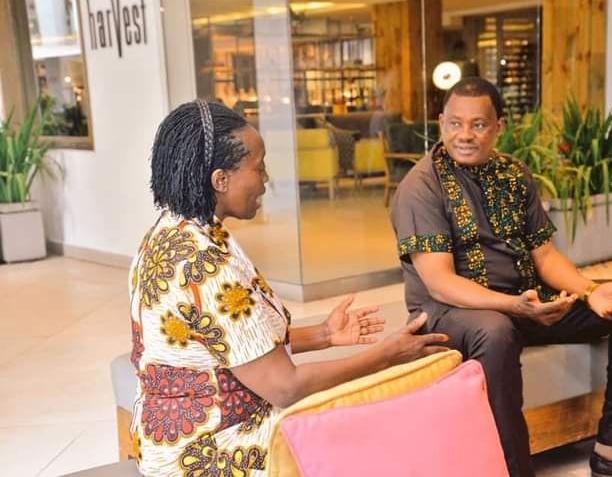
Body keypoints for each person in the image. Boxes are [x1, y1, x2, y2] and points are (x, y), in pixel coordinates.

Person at [129, 100, 448, 476]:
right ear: (220, 180)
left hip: (170, 440)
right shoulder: (205, 265)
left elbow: (230, 342)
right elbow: (286, 388)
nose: (266, 178)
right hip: (213, 452)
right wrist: (386, 357)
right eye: (258, 166)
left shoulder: (173, 232)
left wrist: (324, 335)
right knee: (393, 409)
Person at [390, 77, 612, 477]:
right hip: (449, 314)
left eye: (478, 124)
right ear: (441, 122)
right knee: (494, 331)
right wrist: (515, 307)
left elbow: (544, 255)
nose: (465, 135)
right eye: (455, 123)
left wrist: (591, 290)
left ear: (499, 127)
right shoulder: (421, 186)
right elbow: (440, 282)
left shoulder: (513, 173)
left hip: (525, 302)